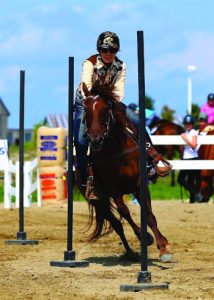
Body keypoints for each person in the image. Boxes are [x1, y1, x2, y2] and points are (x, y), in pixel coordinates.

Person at [74, 31, 172, 201]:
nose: (108, 54)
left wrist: (110, 105)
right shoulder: (89, 64)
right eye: (105, 50)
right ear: (99, 49)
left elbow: (119, 92)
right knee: (81, 140)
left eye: (112, 50)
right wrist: (98, 104)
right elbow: (86, 89)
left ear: (116, 51)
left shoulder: (121, 66)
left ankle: (152, 160)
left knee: (138, 121)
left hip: (110, 103)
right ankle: (86, 180)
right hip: (86, 104)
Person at [177, 115, 201, 203]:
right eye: (186, 123)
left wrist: (185, 138)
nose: (187, 125)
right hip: (186, 158)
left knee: (182, 179)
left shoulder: (193, 132)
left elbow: (194, 145)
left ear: (192, 124)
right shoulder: (186, 133)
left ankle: (194, 195)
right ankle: (193, 197)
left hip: (192, 158)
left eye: (189, 123)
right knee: (185, 180)